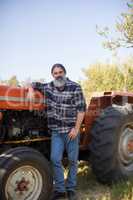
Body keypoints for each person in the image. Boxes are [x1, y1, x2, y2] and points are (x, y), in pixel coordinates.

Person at [30, 64, 86, 200]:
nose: (58, 75)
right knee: (55, 159)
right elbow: (33, 83)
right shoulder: (48, 86)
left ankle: (71, 188)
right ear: (52, 75)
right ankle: (60, 189)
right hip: (56, 132)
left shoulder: (75, 87)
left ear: (65, 73)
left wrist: (76, 128)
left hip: (71, 131)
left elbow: (81, 109)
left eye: (60, 72)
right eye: (55, 73)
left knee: (73, 161)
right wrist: (31, 90)